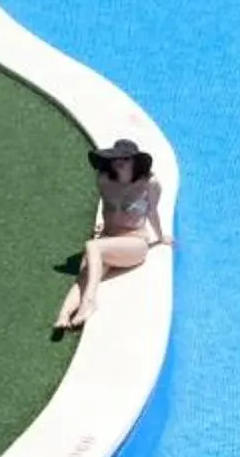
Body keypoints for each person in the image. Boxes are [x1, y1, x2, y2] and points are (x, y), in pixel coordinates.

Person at [54, 138, 167, 333]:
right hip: (108, 238)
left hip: (134, 242)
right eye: (116, 158)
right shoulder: (104, 180)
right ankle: (63, 316)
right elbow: (108, 208)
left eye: (125, 158)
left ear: (135, 162)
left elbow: (152, 211)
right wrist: (103, 225)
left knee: (92, 246)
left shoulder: (149, 183)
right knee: (86, 274)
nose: (119, 162)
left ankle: (89, 302)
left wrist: (161, 236)